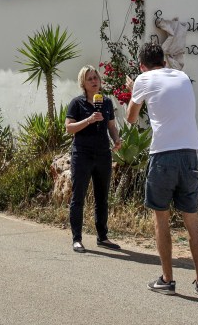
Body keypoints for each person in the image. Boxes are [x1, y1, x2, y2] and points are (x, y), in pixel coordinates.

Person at [126, 43, 198, 299]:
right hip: (189, 154)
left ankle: (167, 279)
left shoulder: (142, 78)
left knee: (161, 219)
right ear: (163, 60)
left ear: (142, 65)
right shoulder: (182, 76)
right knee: (192, 221)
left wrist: (133, 90)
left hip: (163, 154)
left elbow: (131, 117)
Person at [65, 65, 122, 253]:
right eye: (89, 79)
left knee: (102, 197)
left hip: (103, 154)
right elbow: (69, 128)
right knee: (78, 197)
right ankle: (77, 239)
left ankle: (102, 237)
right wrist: (89, 119)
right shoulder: (76, 103)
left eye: (96, 77)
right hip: (82, 154)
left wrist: (116, 139)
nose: (94, 81)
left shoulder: (105, 102)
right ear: (83, 83)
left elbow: (112, 126)